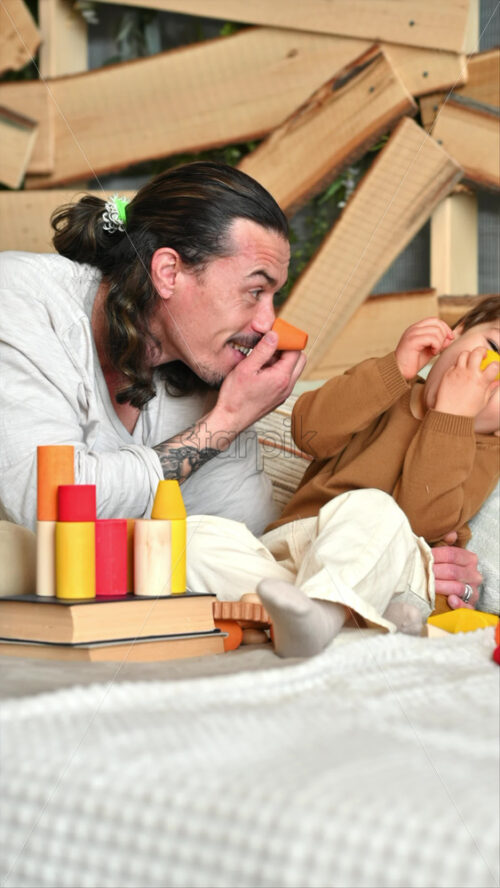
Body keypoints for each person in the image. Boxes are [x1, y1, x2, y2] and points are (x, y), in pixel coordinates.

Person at [0, 162, 305, 535]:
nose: (266, 322)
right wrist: (226, 421)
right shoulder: (18, 299)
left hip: (143, 583)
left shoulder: (200, 369)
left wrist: (230, 415)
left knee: (366, 516)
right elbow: (53, 505)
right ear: (168, 272)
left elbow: (245, 541)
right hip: (28, 574)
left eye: (273, 297)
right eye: (255, 291)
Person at [186, 298, 500, 656]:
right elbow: (310, 431)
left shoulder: (485, 449)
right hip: (296, 549)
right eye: (493, 348)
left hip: (392, 570)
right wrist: (394, 368)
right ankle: (315, 618)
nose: (491, 375)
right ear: (454, 334)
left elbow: (423, 519)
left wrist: (452, 415)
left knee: (375, 507)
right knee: (196, 540)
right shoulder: (386, 387)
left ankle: (322, 612)